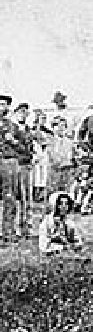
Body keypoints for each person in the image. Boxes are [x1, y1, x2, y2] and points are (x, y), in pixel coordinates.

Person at [0, 92, 22, 241]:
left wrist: (13, 142)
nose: (1, 107)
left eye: (3, 104)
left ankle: (8, 231)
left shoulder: (13, 126)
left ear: (8, 107)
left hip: (8, 162)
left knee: (10, 197)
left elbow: (24, 147)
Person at [13, 102, 34, 236]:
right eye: (21, 112)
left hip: (26, 164)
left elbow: (30, 146)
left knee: (27, 196)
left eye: (25, 112)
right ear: (16, 114)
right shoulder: (12, 128)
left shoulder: (28, 129)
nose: (23, 115)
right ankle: (17, 226)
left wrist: (31, 156)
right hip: (16, 164)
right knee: (17, 195)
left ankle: (27, 225)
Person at [38, 191, 82, 255]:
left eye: (66, 204)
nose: (64, 206)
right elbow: (43, 245)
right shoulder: (47, 222)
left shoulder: (69, 223)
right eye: (60, 204)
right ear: (56, 205)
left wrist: (72, 244)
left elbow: (77, 241)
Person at [47, 117, 77, 192]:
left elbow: (72, 156)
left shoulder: (70, 142)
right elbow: (50, 156)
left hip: (67, 171)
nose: (60, 128)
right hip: (54, 171)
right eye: (57, 125)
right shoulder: (49, 141)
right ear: (53, 128)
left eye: (63, 125)